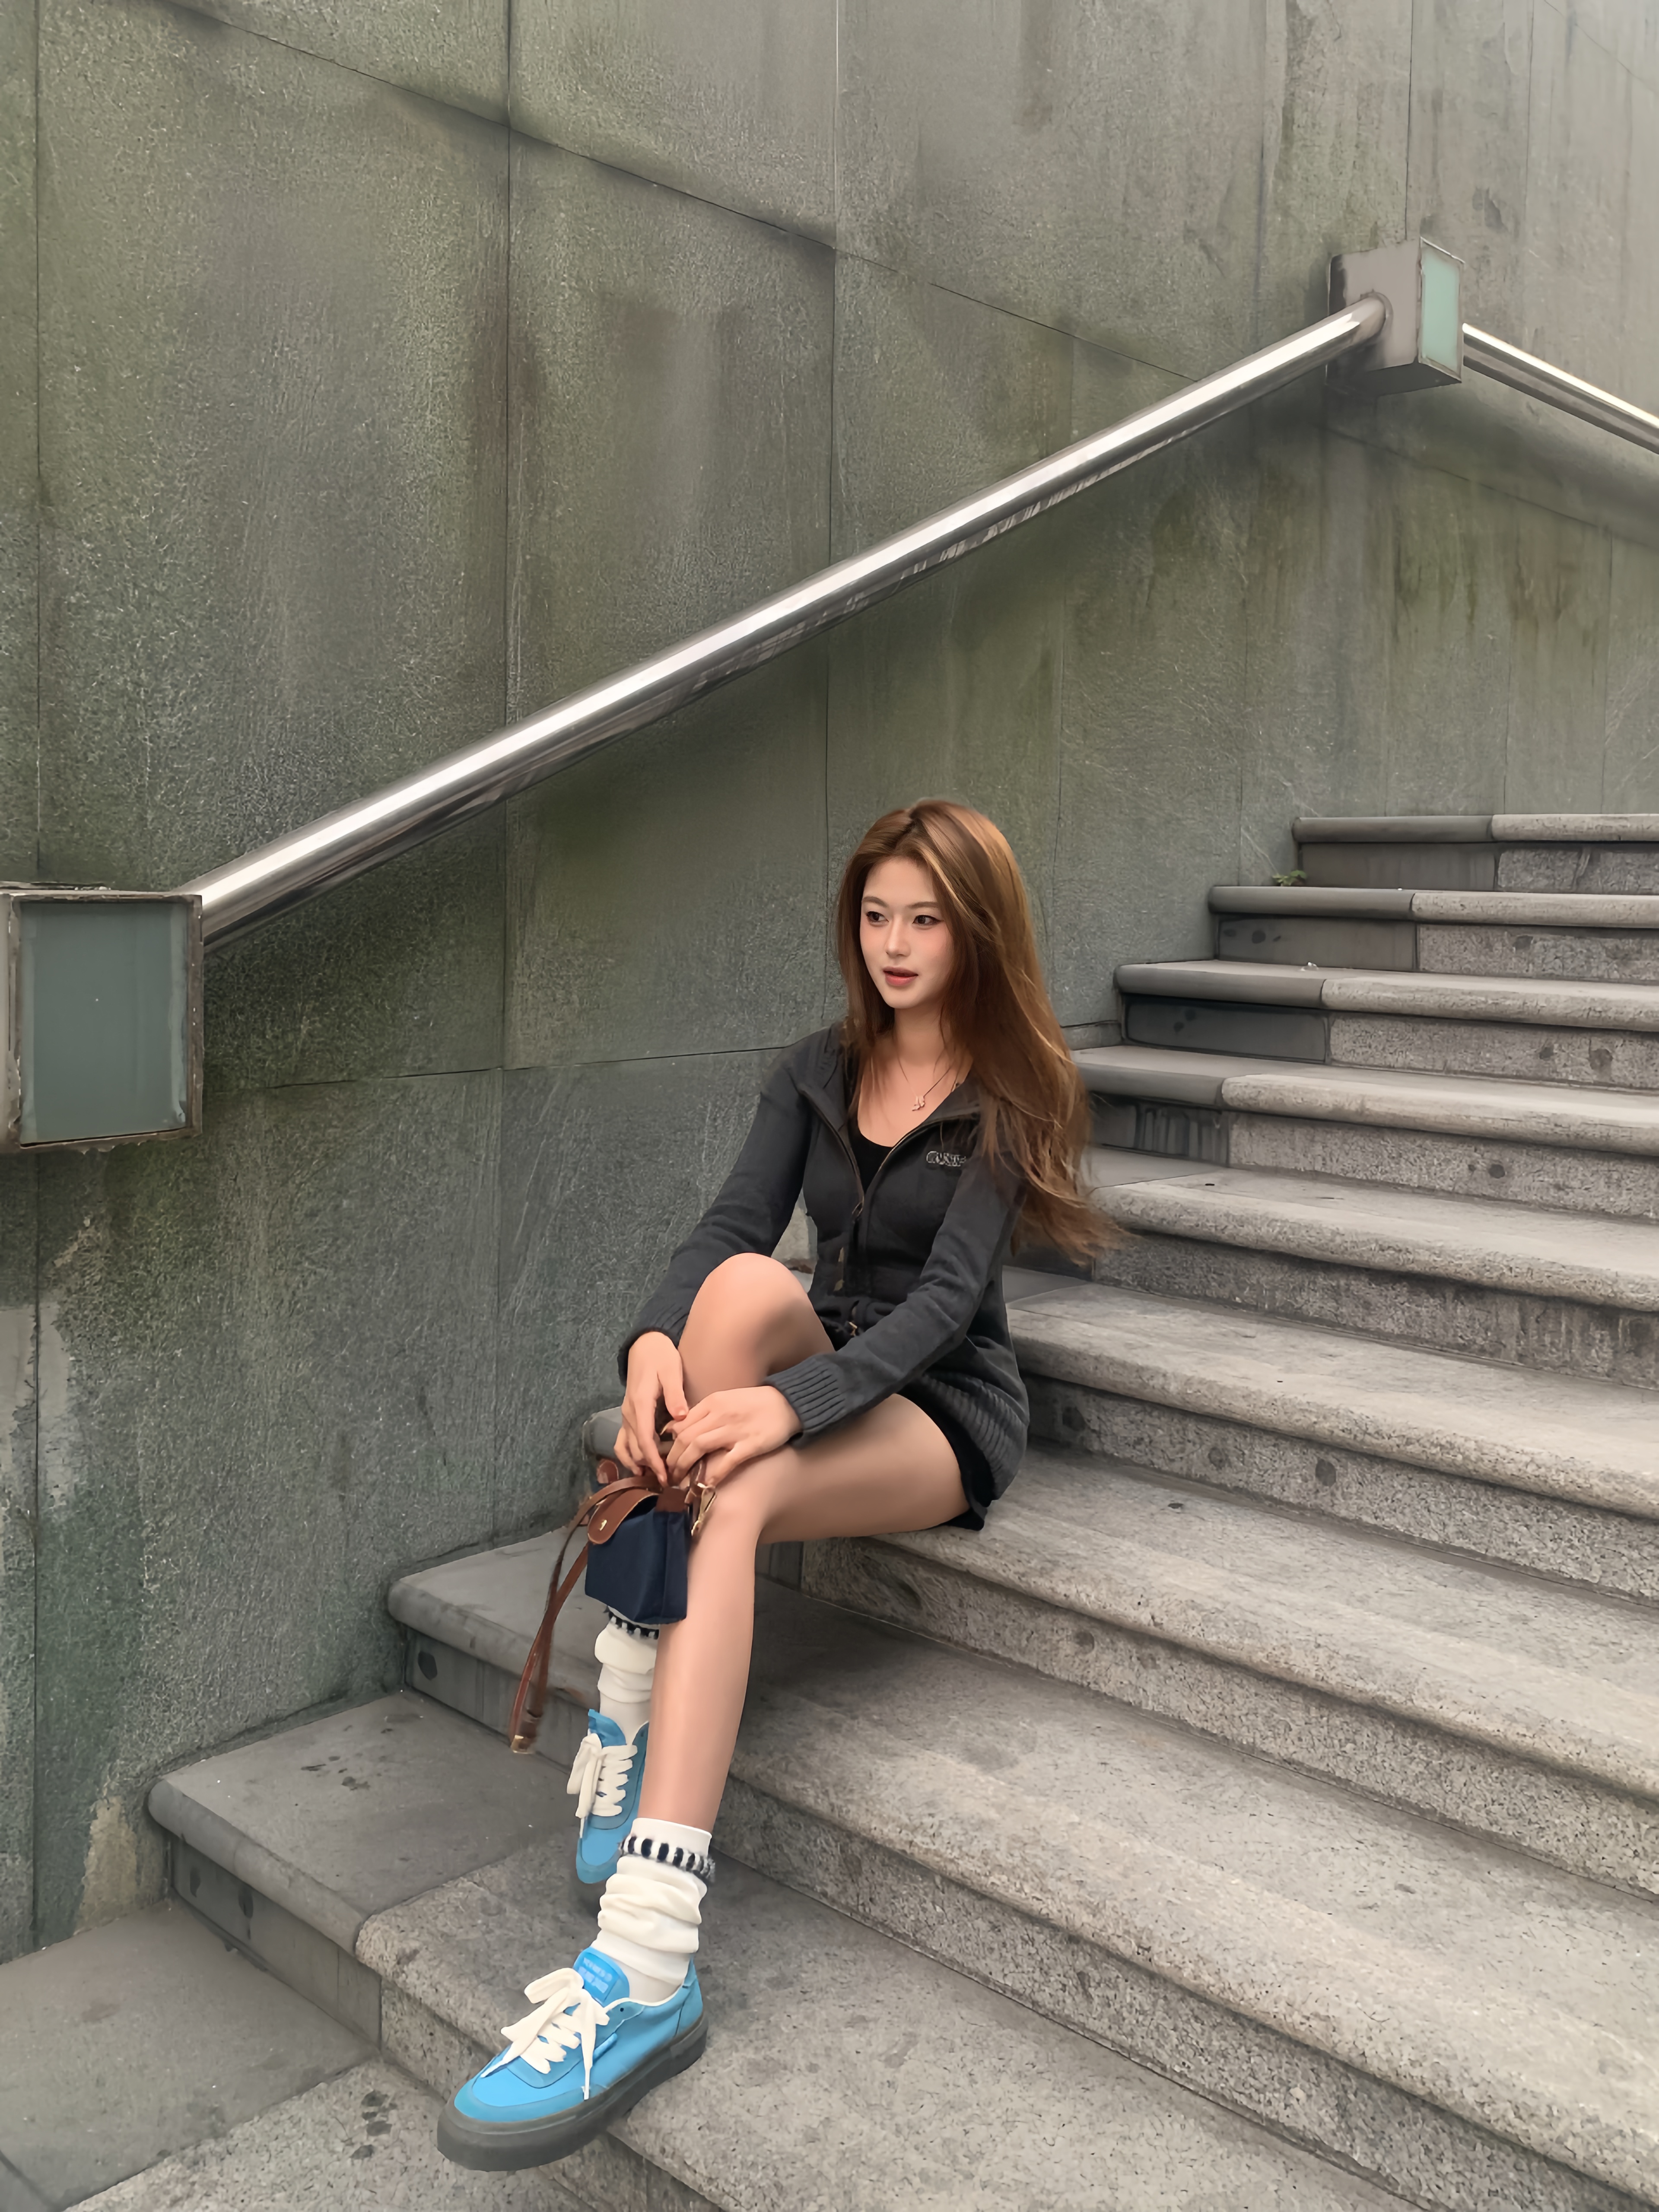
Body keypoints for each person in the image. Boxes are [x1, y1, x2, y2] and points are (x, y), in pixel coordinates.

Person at [437, 799, 1106, 2172]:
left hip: (941, 1404)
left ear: (979, 932)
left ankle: (648, 1958)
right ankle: (631, 1709)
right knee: (741, 1287)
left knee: (732, 1492)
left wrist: (787, 1409)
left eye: (928, 920)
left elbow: (942, 1310)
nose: (896, 945)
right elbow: (732, 1225)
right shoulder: (816, 1068)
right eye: (877, 915)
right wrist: (650, 1347)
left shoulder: (1013, 1092)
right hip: (819, 1348)